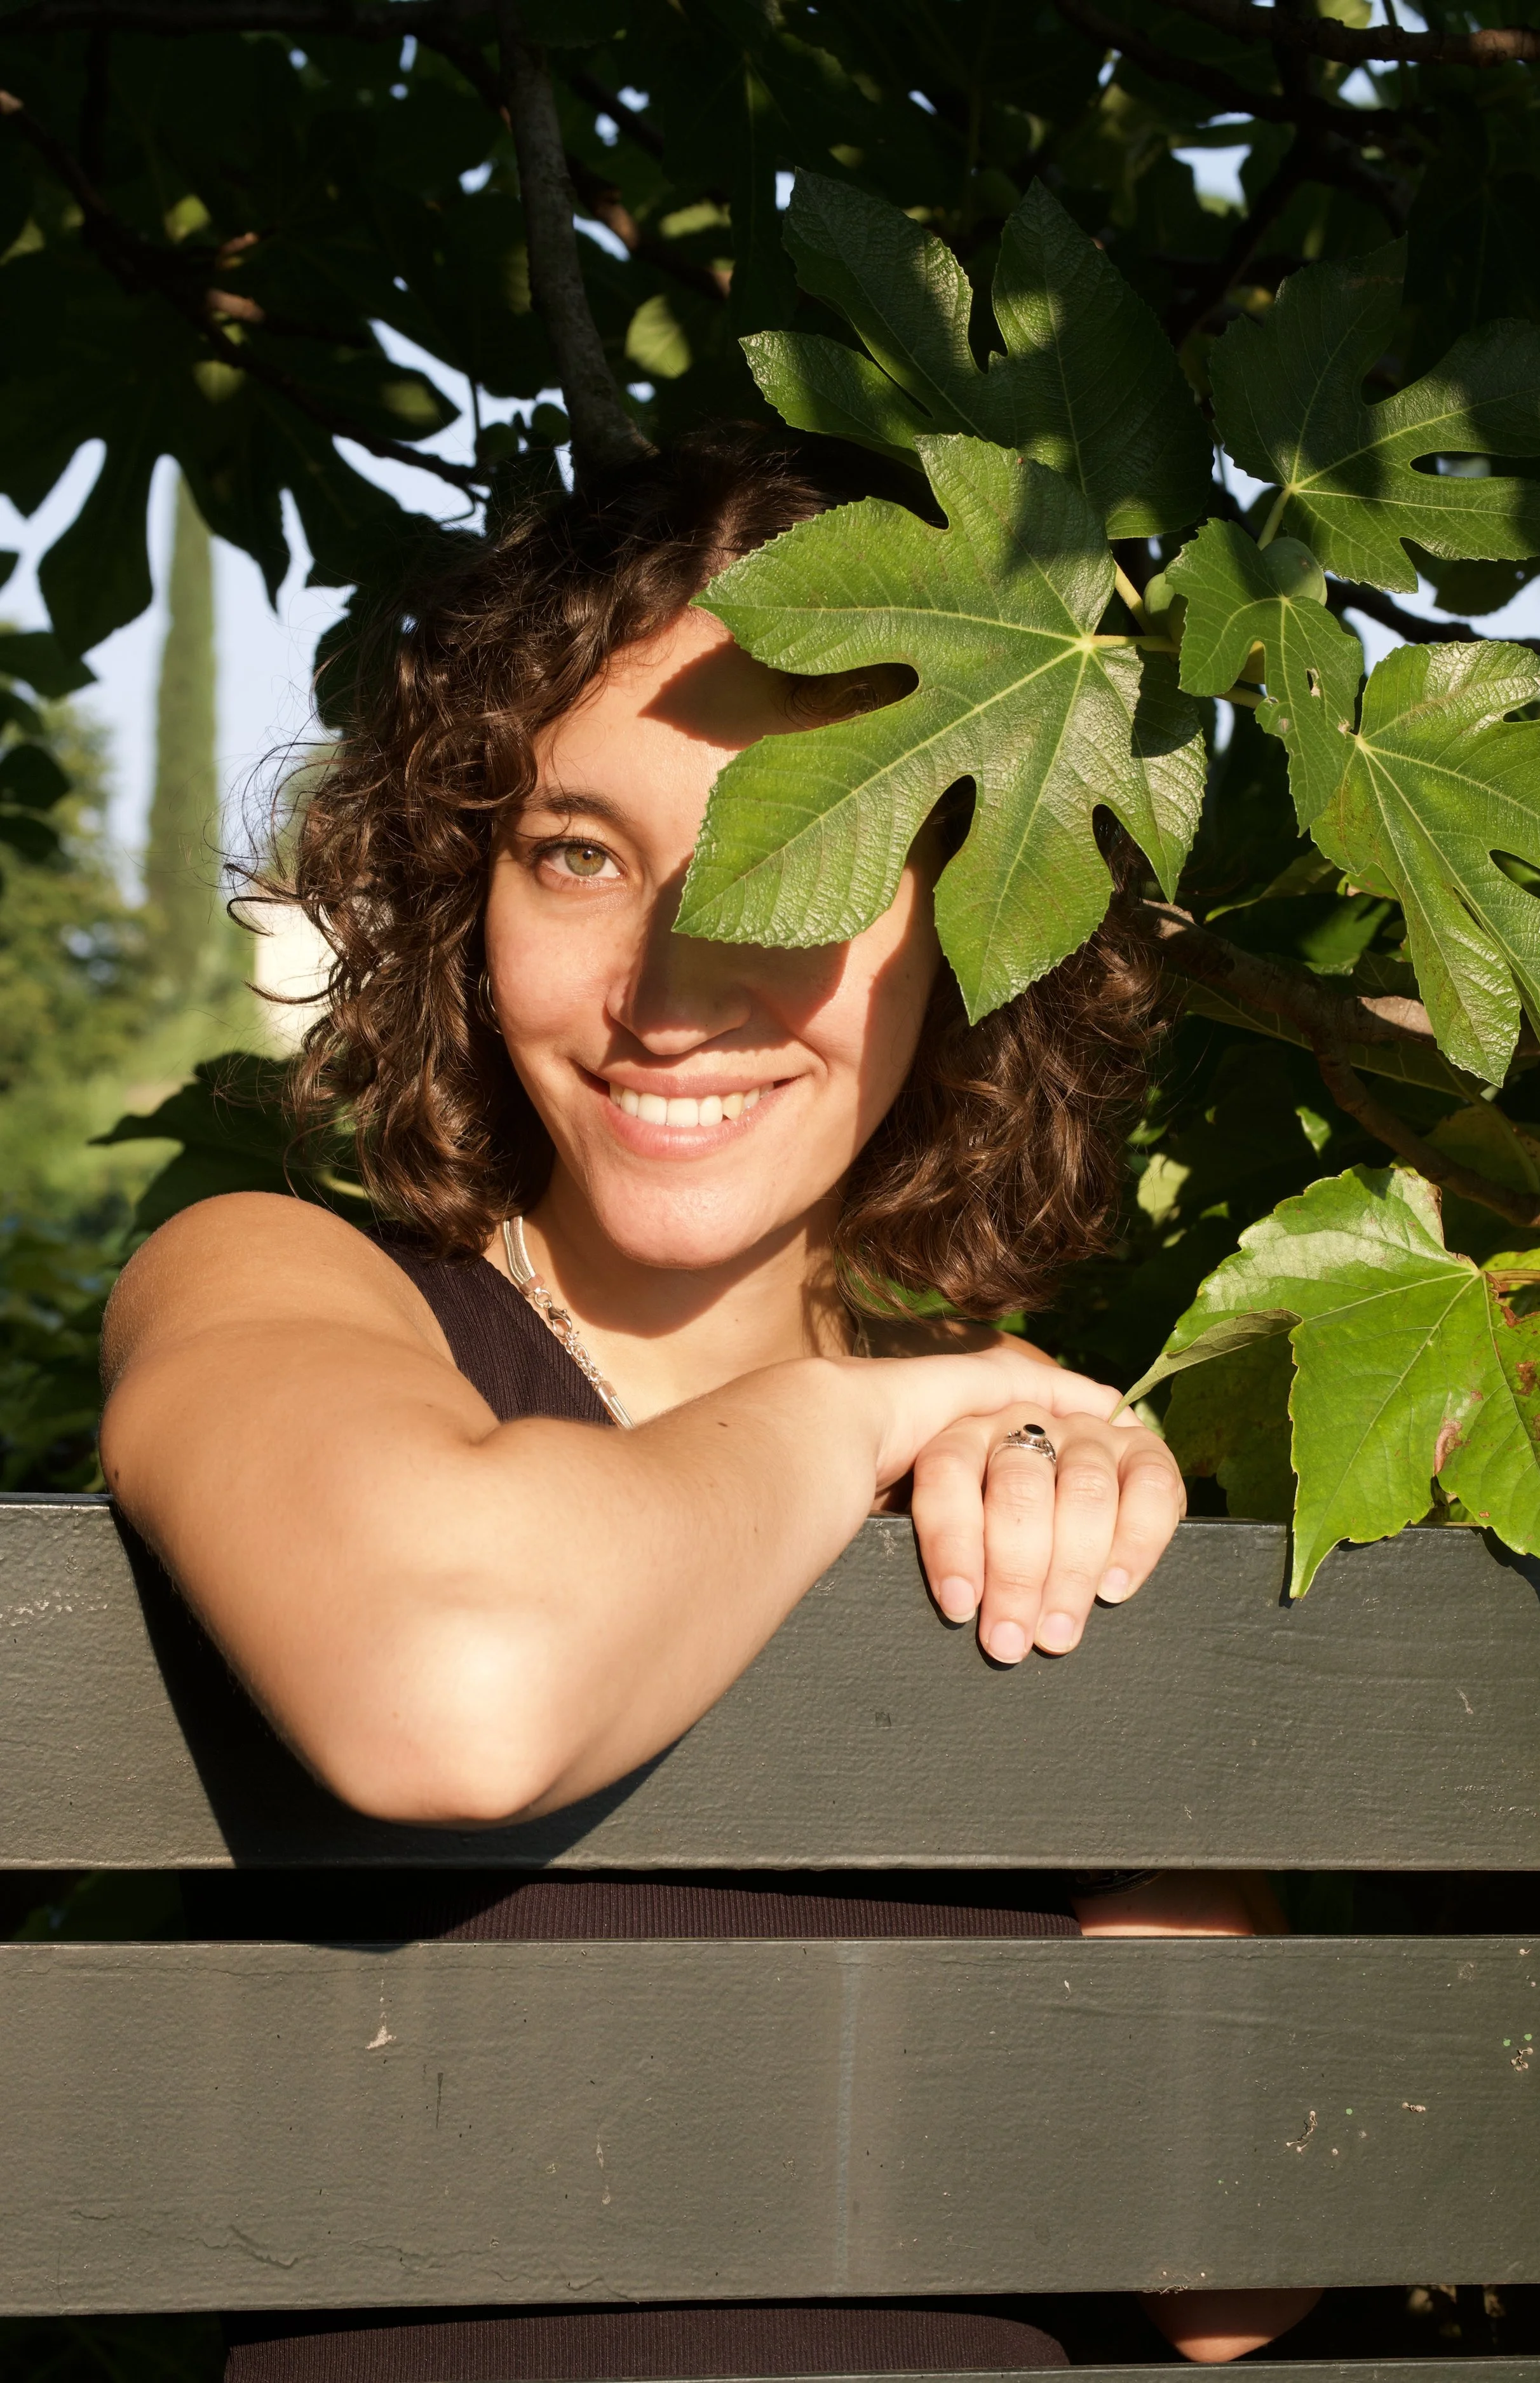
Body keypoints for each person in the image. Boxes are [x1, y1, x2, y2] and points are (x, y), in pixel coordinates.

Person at [100, 427, 1318, 2379]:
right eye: (579, 852)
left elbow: (1229, 2275)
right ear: (459, 897)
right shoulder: (269, 1278)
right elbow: (451, 1679)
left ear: (959, 921)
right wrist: (849, 1421)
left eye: (804, 850)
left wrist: (1094, 1603)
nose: (672, 986)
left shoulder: (994, 1467)